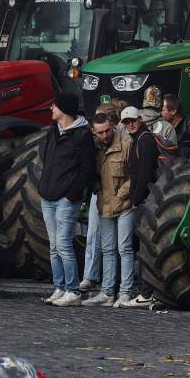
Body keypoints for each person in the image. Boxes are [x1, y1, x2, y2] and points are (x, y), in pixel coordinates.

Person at [39, 92, 96, 307]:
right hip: (48, 196)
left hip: (65, 199)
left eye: (54, 105)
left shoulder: (82, 136)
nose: (51, 109)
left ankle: (73, 292)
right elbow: (46, 160)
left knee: (63, 244)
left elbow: (86, 170)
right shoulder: (52, 132)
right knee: (54, 246)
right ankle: (60, 287)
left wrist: (70, 195)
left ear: (64, 108)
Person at [83, 112, 135, 307]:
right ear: (94, 132)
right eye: (100, 133)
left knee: (124, 248)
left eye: (107, 130)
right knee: (107, 249)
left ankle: (125, 292)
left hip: (124, 205)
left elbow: (135, 175)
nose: (105, 135)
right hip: (104, 205)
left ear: (112, 126)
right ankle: (107, 292)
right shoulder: (94, 149)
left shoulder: (126, 145)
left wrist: (121, 195)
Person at [116, 106, 160, 308]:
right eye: (126, 122)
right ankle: (144, 290)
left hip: (145, 200)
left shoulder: (145, 140)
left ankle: (147, 292)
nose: (130, 124)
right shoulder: (139, 139)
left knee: (142, 247)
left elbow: (144, 174)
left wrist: (135, 200)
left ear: (140, 120)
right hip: (142, 198)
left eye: (133, 120)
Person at [80, 102, 122, 292]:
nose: (101, 134)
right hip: (100, 193)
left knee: (116, 243)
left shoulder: (122, 141)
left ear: (111, 122)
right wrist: (96, 188)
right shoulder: (93, 143)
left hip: (118, 194)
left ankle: (111, 282)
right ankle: (90, 276)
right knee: (94, 236)